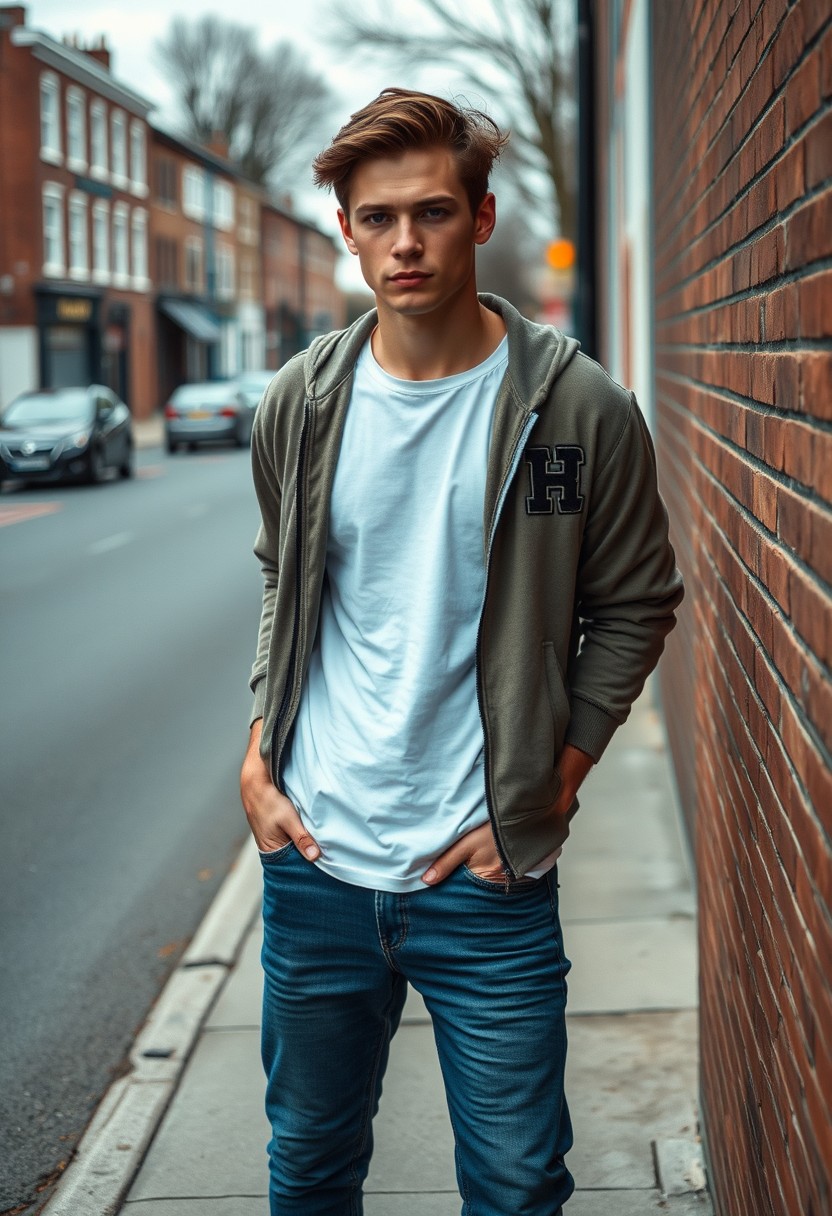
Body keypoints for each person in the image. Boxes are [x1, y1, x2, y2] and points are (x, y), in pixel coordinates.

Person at [241, 87, 683, 1215]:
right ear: (344, 228)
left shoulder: (577, 407)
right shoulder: (300, 401)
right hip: (318, 863)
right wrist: (258, 755)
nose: (404, 242)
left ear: (480, 218)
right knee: (310, 1167)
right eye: (377, 217)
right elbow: (284, 583)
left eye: (432, 212)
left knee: (518, 1181)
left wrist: (552, 786)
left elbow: (634, 604)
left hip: (485, 874)